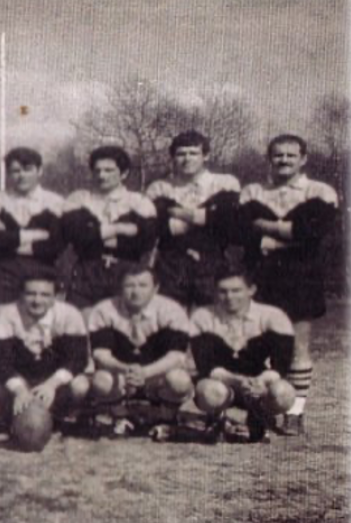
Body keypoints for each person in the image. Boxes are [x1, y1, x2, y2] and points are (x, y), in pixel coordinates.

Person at [236, 134, 339, 435]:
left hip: (301, 275)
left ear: (303, 159)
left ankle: (295, 412)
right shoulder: (253, 190)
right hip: (260, 274)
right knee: (258, 343)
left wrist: (267, 231)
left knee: (298, 346)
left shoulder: (320, 191)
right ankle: (264, 407)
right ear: (269, 159)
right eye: (278, 155)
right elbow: (241, 230)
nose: (283, 160)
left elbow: (312, 233)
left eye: (290, 156)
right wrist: (290, 233)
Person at [190, 265, 296, 442]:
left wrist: (261, 382)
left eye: (236, 290)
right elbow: (206, 366)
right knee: (210, 392)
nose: (229, 297)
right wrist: (237, 381)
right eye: (223, 291)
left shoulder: (273, 316)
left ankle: (262, 416)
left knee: (284, 393)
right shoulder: (202, 316)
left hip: (259, 384)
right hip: (222, 384)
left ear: (251, 290)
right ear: (215, 292)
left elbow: (281, 365)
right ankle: (217, 417)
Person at [87, 265, 192, 437]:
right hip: (122, 374)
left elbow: (177, 356)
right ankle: (120, 416)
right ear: (120, 288)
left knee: (180, 380)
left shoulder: (172, 310)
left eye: (143, 285)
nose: (135, 292)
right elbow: (100, 354)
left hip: (157, 375)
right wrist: (124, 368)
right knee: (101, 380)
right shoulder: (104, 310)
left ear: (156, 288)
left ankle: (166, 419)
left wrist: (146, 372)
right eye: (129, 285)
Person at [146, 131, 240, 308]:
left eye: (193, 153)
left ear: (206, 156)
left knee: (212, 321)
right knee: (171, 320)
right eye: (181, 154)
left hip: (212, 262)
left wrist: (176, 213)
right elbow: (156, 227)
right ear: (173, 157)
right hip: (171, 264)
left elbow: (227, 224)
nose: (187, 159)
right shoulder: (160, 187)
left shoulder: (224, 183)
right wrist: (206, 218)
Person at [0, 270, 91, 429]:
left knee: (80, 385)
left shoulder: (69, 314)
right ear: (20, 295)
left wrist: (52, 384)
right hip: (20, 376)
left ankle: (60, 416)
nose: (37, 300)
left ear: (56, 297)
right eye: (31, 294)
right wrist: (19, 389)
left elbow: (78, 359)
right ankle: (11, 418)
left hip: (53, 378)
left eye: (45, 295)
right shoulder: (7, 314)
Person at [61, 146, 157, 312]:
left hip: (126, 271)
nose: (102, 175)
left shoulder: (139, 201)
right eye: (97, 170)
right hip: (87, 270)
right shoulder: (79, 199)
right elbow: (77, 235)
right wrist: (120, 228)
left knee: (121, 326)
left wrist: (97, 234)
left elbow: (145, 242)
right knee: (81, 326)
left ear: (124, 173)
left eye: (109, 170)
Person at [0, 147, 66, 306]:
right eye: (15, 171)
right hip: (2, 272)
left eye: (28, 169)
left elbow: (56, 244)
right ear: (8, 173)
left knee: (39, 325)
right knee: (0, 324)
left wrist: (9, 239)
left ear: (40, 171)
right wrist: (34, 235)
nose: (21, 176)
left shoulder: (55, 202)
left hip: (42, 271)